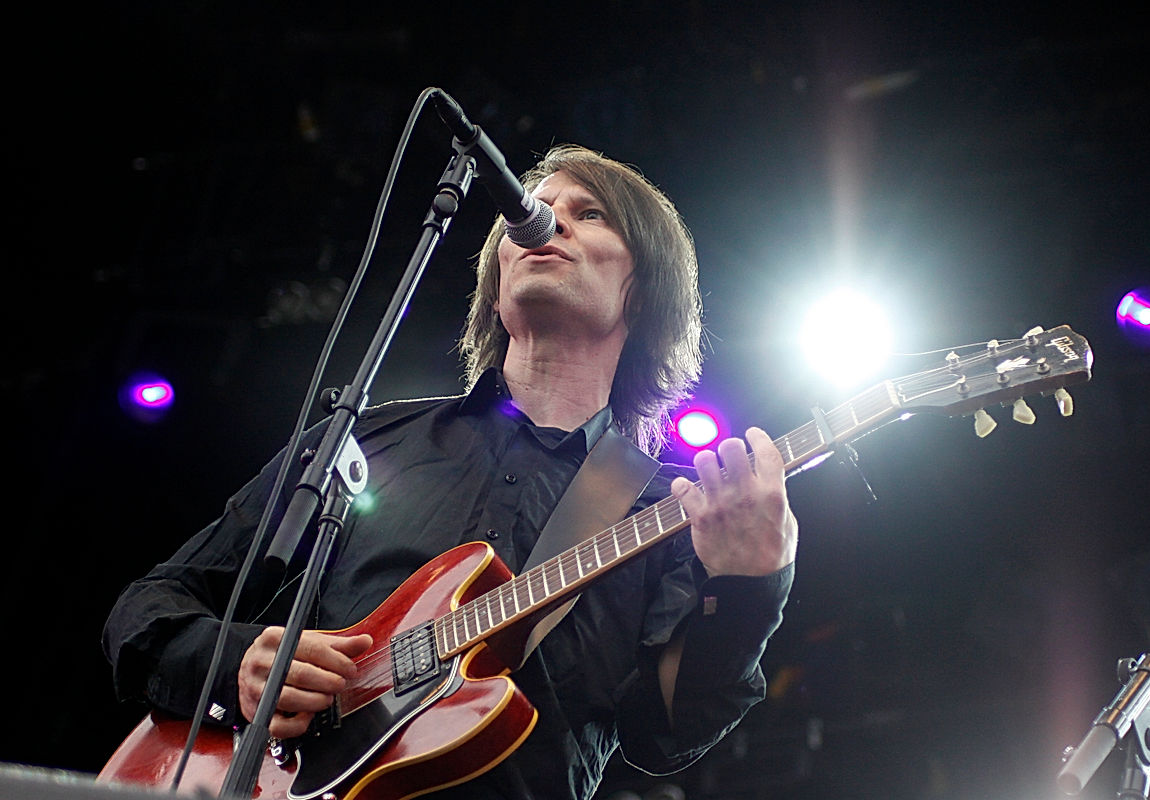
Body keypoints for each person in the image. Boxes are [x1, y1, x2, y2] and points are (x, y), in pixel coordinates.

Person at [102, 144, 798, 799]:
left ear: (644, 292)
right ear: (496, 289)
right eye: (532, 209)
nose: (545, 222)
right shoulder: (366, 439)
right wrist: (240, 665)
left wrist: (750, 585)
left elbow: (664, 734)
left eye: (589, 214)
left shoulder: (665, 502)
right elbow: (148, 608)